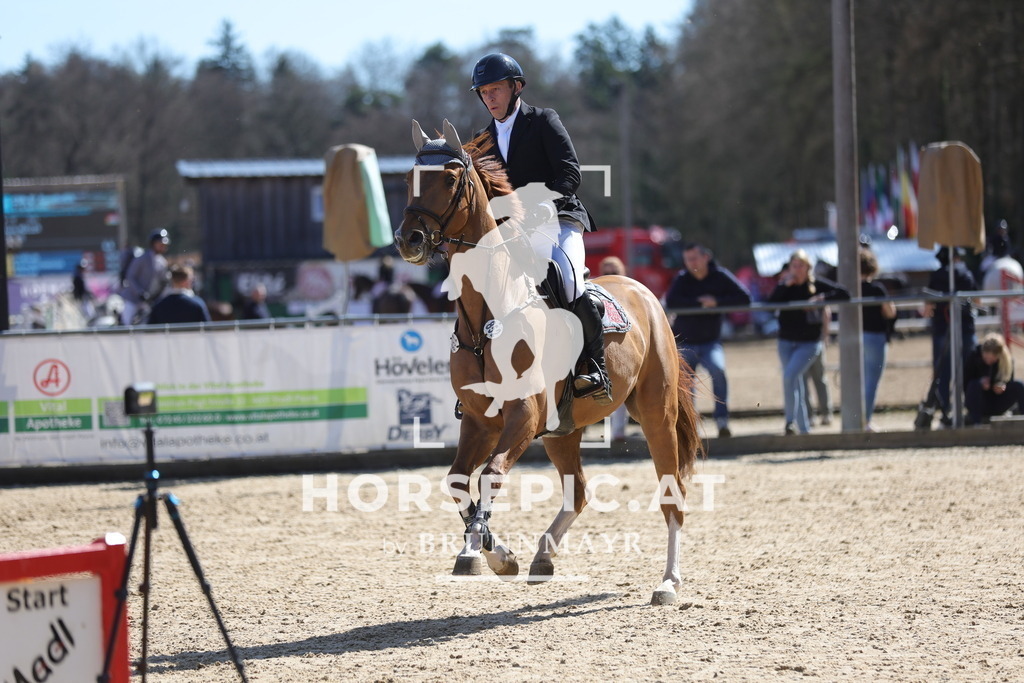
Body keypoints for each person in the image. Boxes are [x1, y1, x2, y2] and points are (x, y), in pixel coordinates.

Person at [469, 52, 609, 404]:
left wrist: (542, 206)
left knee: (568, 280)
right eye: (484, 91)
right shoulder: (480, 141)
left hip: (558, 219)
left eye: (496, 89)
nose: (490, 97)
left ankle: (594, 365)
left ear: (516, 87)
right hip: (513, 232)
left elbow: (570, 174)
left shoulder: (543, 120)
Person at [663, 242, 751, 438]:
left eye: (694, 258)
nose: (690, 263)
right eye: (687, 259)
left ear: (706, 257)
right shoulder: (682, 278)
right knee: (685, 383)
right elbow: (671, 301)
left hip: (711, 341)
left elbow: (744, 297)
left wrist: (717, 302)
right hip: (686, 341)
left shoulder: (719, 275)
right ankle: (691, 424)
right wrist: (699, 303)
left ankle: (722, 419)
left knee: (718, 371)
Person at [767, 250, 850, 435]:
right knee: (795, 381)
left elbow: (844, 293)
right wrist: (783, 286)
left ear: (808, 267)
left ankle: (790, 421)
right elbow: (770, 304)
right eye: (793, 266)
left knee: (790, 377)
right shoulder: (785, 286)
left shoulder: (816, 285)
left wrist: (822, 299)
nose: (796, 270)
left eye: (800, 265)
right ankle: (802, 427)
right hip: (786, 341)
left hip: (809, 343)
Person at [919, 247, 978, 427]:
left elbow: (928, 308)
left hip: (942, 330)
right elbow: (978, 301)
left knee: (943, 374)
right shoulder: (967, 274)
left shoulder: (937, 276)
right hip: (966, 329)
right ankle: (972, 411)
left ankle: (945, 414)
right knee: (969, 371)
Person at [859, 246, 897, 431]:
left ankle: (854, 418)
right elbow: (890, 311)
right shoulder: (877, 288)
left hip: (854, 338)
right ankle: (865, 421)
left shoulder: (850, 289)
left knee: (857, 380)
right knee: (871, 382)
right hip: (874, 337)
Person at [963, 333, 1024, 425]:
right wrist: (980, 382)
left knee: (1019, 385)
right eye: (986, 358)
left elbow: (1009, 381)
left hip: (998, 402)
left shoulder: (1007, 360)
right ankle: (976, 424)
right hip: (979, 403)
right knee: (974, 385)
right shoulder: (974, 356)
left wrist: (1003, 386)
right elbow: (966, 385)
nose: (988, 362)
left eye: (992, 359)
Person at [599, 256, 629, 440]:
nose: (610, 276)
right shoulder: (595, 292)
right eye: (606, 272)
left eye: (614, 272)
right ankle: (613, 432)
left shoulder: (631, 291)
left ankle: (618, 431)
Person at [121, 228, 170, 325]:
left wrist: (156, 295)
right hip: (133, 299)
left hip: (149, 301)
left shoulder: (162, 262)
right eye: (160, 243)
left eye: (164, 244)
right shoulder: (142, 258)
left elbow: (163, 282)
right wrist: (139, 292)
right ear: (153, 243)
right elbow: (130, 276)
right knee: (126, 322)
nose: (162, 246)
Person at [147, 264, 211, 324]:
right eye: (191, 280)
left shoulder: (159, 306)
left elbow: (150, 330)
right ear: (186, 281)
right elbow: (208, 328)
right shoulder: (197, 304)